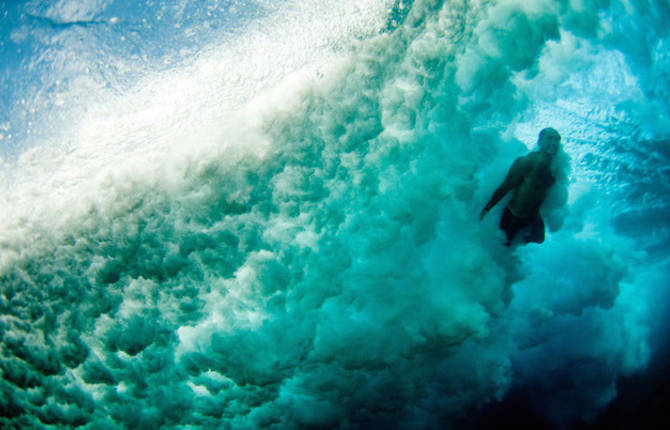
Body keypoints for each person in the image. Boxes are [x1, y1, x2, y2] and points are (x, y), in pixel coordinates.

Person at [480, 128, 561, 246]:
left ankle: (521, 240)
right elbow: (505, 187)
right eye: (549, 138)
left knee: (539, 238)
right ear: (539, 142)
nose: (553, 142)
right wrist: (487, 208)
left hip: (532, 215)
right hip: (514, 216)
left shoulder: (555, 168)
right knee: (503, 247)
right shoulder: (526, 162)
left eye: (557, 139)